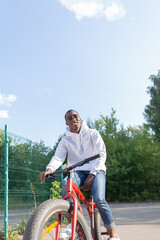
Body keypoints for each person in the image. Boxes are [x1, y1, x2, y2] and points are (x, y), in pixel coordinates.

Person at [40, 110, 120, 240]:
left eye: (75, 116)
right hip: (78, 171)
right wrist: (49, 170)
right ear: (66, 123)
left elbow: (102, 154)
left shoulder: (93, 133)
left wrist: (92, 175)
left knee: (99, 199)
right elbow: (58, 157)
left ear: (80, 118)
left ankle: (113, 235)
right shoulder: (65, 140)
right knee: (66, 184)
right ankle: (73, 224)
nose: (73, 119)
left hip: (97, 168)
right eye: (69, 118)